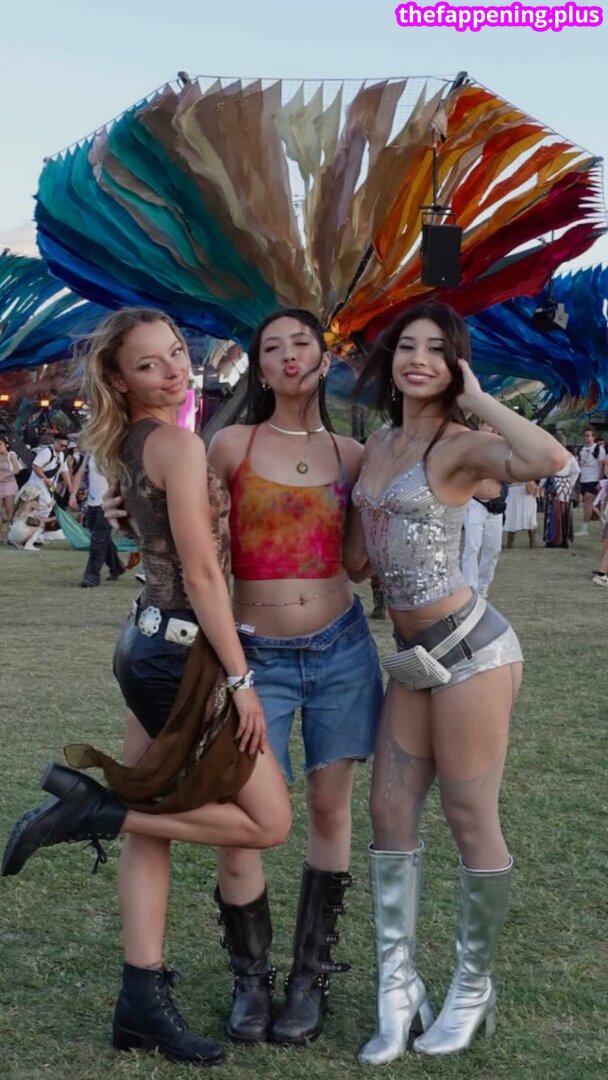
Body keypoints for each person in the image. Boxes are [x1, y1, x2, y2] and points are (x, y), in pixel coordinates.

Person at [2, 308, 291, 1067]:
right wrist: (242, 680)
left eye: (175, 354)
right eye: (149, 364)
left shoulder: (132, 442)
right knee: (268, 821)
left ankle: (140, 1000)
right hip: (181, 655)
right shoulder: (175, 444)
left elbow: (156, 539)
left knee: (156, 823)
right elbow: (202, 574)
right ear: (118, 379)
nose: (172, 371)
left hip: (149, 640)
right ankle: (95, 810)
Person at [105, 307, 383, 1046]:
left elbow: (358, 562)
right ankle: (250, 981)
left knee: (329, 811)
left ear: (325, 359)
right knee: (244, 823)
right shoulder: (228, 443)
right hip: (252, 655)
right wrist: (121, 508)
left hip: (341, 648)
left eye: (302, 344)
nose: (289, 356)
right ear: (255, 367)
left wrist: (407, 503)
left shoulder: (354, 453)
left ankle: (309, 980)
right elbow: (181, 526)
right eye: (272, 347)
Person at [346, 300, 567, 1063]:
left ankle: (473, 990)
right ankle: (397, 990)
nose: (419, 359)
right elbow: (355, 559)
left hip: (473, 652)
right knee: (387, 810)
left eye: (437, 350)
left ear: (455, 365)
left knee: (469, 814)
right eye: (407, 346)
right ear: (388, 360)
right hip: (412, 657)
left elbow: (549, 460)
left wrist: (479, 401)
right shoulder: (378, 444)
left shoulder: (460, 445)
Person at [461, 423, 508, 597]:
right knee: (472, 546)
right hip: (475, 502)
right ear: (480, 425)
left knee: (493, 549)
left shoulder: (502, 448)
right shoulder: (471, 448)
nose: (494, 429)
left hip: (496, 503)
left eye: (495, 426)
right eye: (489, 425)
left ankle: (483, 587)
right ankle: (471, 588)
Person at [70, 451, 125, 587]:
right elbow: (79, 474)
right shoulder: (90, 454)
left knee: (98, 541)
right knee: (102, 538)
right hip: (92, 504)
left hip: (106, 504)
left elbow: (116, 479)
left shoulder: (110, 453)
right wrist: (73, 495)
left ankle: (91, 576)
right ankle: (116, 566)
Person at [542, 450, 580, 548]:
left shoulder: (552, 456)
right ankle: (564, 540)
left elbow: (546, 472)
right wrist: (570, 483)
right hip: (566, 485)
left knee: (554, 512)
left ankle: (554, 540)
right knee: (564, 512)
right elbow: (577, 470)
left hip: (555, 485)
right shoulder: (570, 457)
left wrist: (541, 485)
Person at [575, 427, 606, 536]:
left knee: (588, 503)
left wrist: (599, 481)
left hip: (593, 480)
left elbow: (601, 466)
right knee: (588, 505)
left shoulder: (599, 449)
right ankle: (603, 522)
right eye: (585, 435)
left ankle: (584, 528)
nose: (586, 438)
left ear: (593, 437)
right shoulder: (581, 449)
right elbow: (579, 465)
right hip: (583, 479)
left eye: (588, 435)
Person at [6, 484, 46, 550]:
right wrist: (50, 504)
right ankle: (29, 545)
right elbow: (43, 508)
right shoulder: (32, 503)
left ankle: (17, 543)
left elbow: (9, 522)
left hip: (12, 536)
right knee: (41, 525)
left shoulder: (18, 506)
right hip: (20, 534)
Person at [503, 479, 538, 548]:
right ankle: (510, 543)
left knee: (528, 515)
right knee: (513, 515)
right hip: (514, 489)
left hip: (527, 488)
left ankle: (532, 542)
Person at [0, 435, 21, 533]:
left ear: (6, 445)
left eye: (0, 444)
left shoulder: (11, 455)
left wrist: (5, 475)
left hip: (9, 484)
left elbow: (17, 469)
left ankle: (10, 531)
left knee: (9, 509)